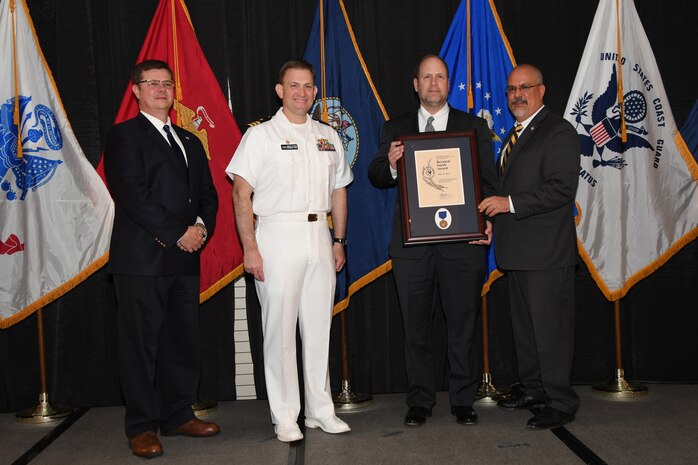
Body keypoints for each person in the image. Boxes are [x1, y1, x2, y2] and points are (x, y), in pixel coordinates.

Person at [226, 60, 353, 442]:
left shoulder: (328, 135)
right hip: (276, 236)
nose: (302, 92)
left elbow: (339, 190)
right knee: (279, 331)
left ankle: (319, 410)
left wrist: (339, 240)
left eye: (308, 86)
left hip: (320, 236)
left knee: (318, 329)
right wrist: (250, 248)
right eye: (294, 86)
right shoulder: (261, 136)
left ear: (315, 92)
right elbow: (240, 193)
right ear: (280, 91)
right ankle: (284, 415)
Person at [368, 55, 497, 427]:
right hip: (412, 247)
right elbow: (376, 174)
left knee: (463, 324)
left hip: (463, 245)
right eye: (427, 77)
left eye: (440, 77)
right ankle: (420, 401)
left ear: (447, 81)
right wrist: (392, 163)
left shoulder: (473, 127)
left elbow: (489, 180)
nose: (434, 84)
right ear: (416, 84)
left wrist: (485, 220)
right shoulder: (396, 127)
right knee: (416, 328)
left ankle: (462, 400)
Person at [104, 59, 220, 459]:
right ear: (135, 90)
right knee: (140, 347)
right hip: (142, 261)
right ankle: (141, 426)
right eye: (151, 83)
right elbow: (133, 194)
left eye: (167, 83)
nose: (160, 89)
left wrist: (201, 228)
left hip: (184, 260)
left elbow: (208, 193)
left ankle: (177, 414)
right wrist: (177, 234)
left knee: (182, 342)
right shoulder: (124, 136)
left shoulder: (189, 140)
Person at [478, 64, 580, 429]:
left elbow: (561, 189)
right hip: (518, 251)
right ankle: (535, 388)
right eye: (510, 89)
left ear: (542, 90)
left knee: (550, 330)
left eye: (525, 87)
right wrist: (491, 218)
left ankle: (561, 400)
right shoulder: (514, 134)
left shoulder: (558, 131)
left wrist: (509, 204)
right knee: (526, 329)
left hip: (547, 253)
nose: (516, 94)